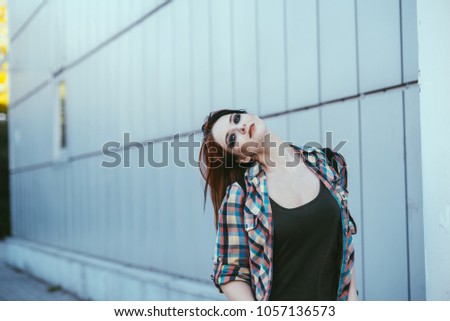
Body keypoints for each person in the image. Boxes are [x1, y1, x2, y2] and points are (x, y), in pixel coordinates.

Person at [199, 109, 358, 301]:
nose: (240, 127)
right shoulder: (240, 196)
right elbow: (230, 275)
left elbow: (344, 239)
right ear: (243, 158)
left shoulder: (329, 163)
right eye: (232, 138)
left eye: (237, 118)